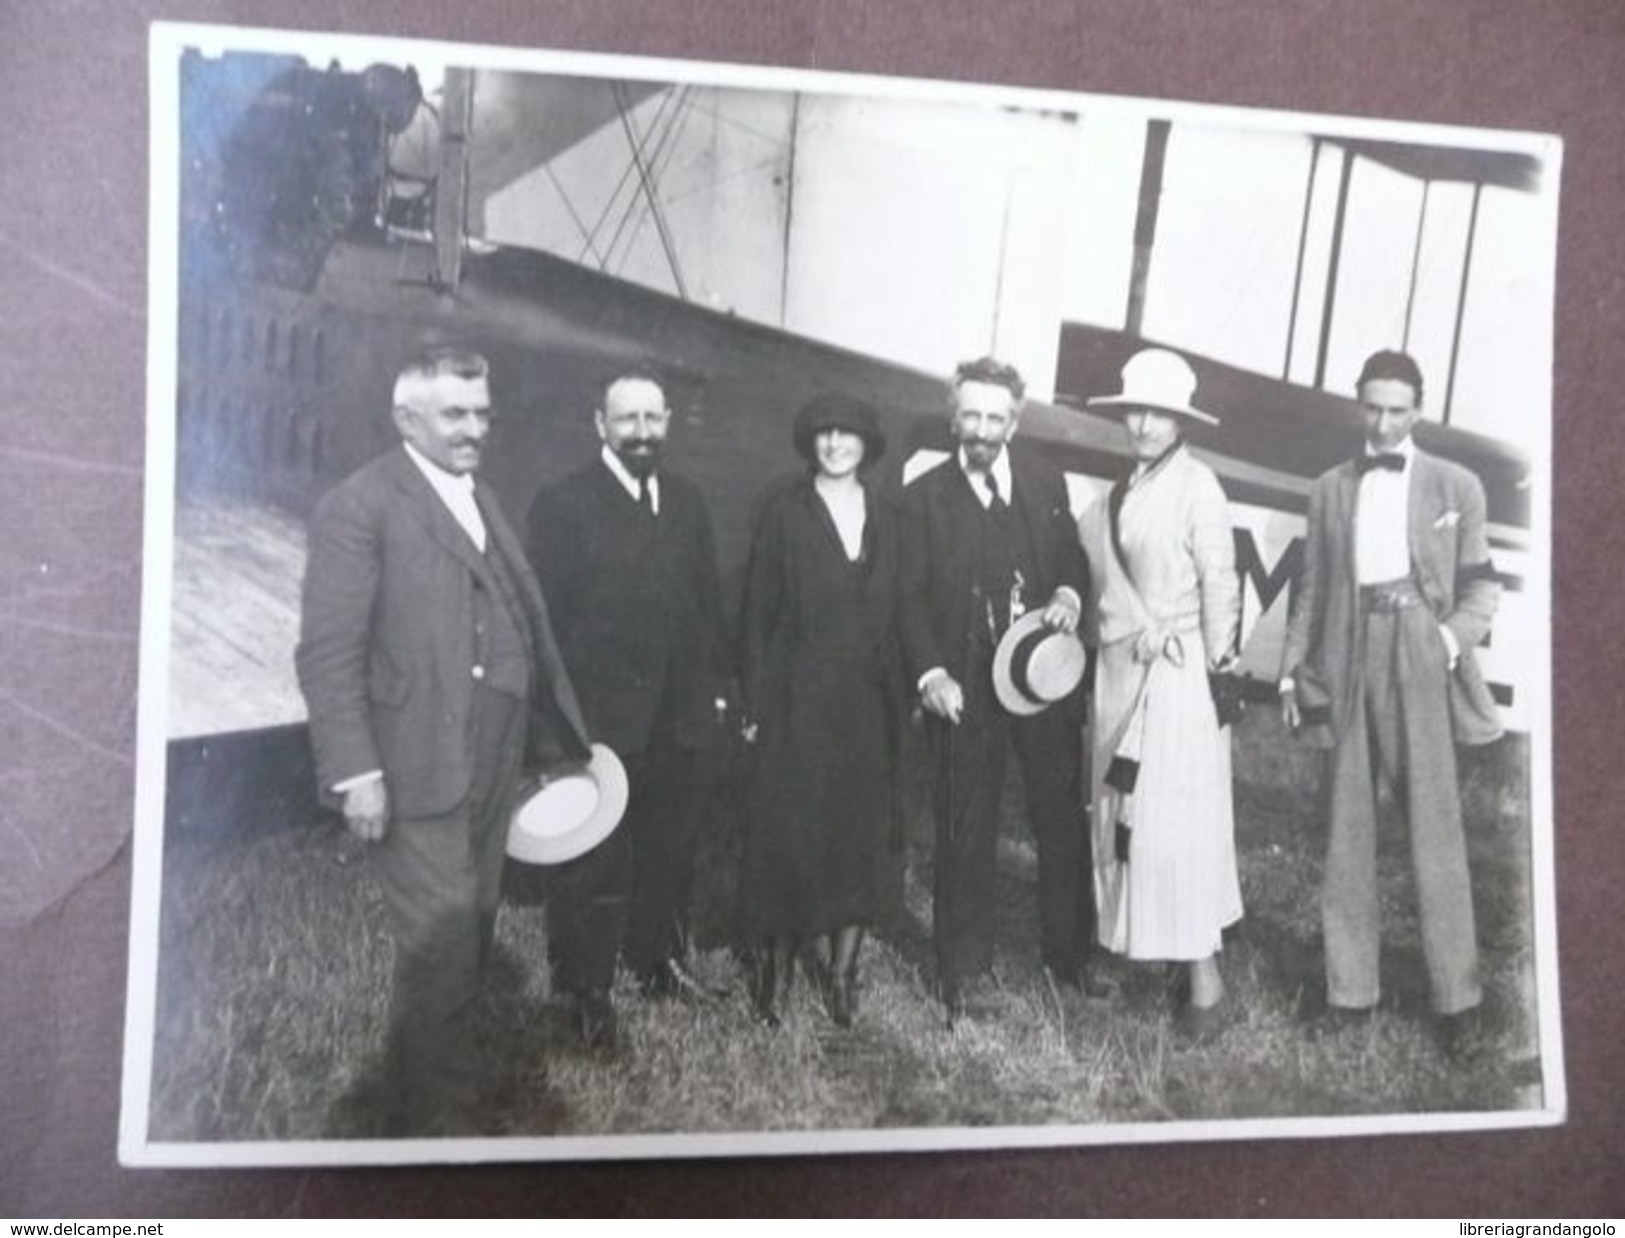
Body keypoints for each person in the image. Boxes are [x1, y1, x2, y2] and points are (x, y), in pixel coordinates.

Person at [295, 346, 591, 1133]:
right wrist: (355, 771)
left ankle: (425, 1094)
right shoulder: (360, 506)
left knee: (476, 924)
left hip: (492, 752)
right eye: (454, 414)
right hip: (414, 754)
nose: (474, 430)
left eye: (482, 412)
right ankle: (438, 1133)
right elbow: (327, 650)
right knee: (444, 943)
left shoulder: (477, 494)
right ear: (405, 419)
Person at [1280, 349, 1502, 1056]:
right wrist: (1291, 673)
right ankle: (1348, 993)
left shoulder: (1456, 484)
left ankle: (1456, 1002)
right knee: (1345, 830)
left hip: (1417, 648)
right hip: (1346, 652)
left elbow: (1481, 586)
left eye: (1396, 409)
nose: (1382, 423)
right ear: (1359, 405)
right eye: (1371, 407)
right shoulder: (1327, 489)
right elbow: (1310, 591)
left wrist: (1444, 641)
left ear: (1418, 409)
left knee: (1433, 830)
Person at [525, 363, 729, 1049]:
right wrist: (559, 724)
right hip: (601, 723)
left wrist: (715, 692)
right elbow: (543, 624)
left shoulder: (688, 502)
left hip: (678, 720)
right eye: (627, 419)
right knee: (593, 860)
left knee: (670, 851)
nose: (641, 433)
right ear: (600, 426)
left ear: (666, 423)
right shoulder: (561, 504)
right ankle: (586, 991)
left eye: (652, 419)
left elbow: (705, 608)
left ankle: (658, 964)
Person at [898, 356, 1094, 1024]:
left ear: (1014, 419)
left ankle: (1069, 956)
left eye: (994, 416)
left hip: (1040, 679)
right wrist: (930, 674)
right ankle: (963, 972)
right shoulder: (922, 498)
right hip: (965, 688)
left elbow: (1071, 557)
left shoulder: (1045, 480)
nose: (980, 429)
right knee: (965, 828)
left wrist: (1068, 591)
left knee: (1060, 820)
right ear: (953, 417)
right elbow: (908, 599)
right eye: (969, 415)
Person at [1078, 348, 1243, 1034]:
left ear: (1181, 421)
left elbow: (1220, 580)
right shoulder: (1119, 491)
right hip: (1120, 671)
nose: (1144, 424)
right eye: (1134, 411)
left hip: (1177, 680)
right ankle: (1122, 941)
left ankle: (1203, 980)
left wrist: (1217, 664)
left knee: (1174, 826)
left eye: (1159, 413)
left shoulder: (1198, 485)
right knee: (1117, 815)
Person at [737, 394, 902, 1028]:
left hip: (865, 706)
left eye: (848, 434)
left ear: (866, 445)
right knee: (790, 836)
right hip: (795, 701)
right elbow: (757, 615)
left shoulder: (888, 516)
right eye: (824, 434)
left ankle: (841, 974)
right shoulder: (784, 512)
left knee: (855, 838)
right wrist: (754, 699)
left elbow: (899, 609)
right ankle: (775, 975)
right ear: (811, 443)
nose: (835, 444)